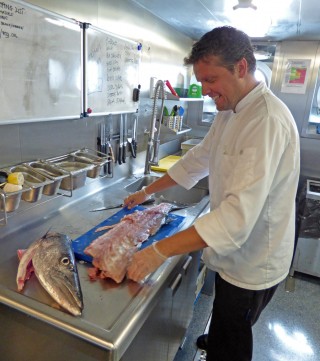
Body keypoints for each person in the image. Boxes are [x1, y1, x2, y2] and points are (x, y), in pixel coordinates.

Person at [124, 26, 300, 361]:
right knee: (224, 314)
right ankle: (217, 337)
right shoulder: (230, 108)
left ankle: (224, 347)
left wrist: (157, 251)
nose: (205, 90)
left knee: (234, 336)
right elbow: (200, 158)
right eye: (201, 81)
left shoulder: (265, 121)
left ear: (241, 68)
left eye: (211, 80)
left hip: (254, 260)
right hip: (234, 253)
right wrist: (148, 190)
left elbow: (236, 218)